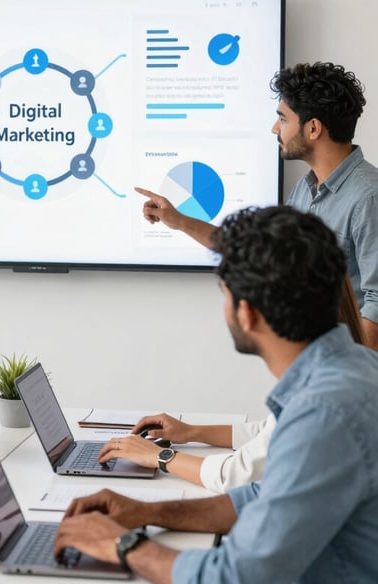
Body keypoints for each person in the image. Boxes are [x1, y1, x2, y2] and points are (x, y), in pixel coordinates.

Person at [54, 206, 378, 583]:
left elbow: (237, 576)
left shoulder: (323, 411)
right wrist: (149, 512)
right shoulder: (355, 367)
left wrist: (123, 545)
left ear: (247, 313)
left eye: (224, 294)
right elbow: (262, 496)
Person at [137, 62, 378, 349]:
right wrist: (179, 221)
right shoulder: (305, 189)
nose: (275, 128)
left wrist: (343, 370)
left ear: (313, 128)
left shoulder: (369, 196)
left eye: (283, 119)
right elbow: (258, 251)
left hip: (345, 368)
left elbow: (376, 304)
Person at [102, 277, 366, 493]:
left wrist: (159, 457)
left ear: (247, 313)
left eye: (226, 296)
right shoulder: (341, 368)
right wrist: (191, 432)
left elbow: (236, 474)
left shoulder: (316, 398)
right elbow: (266, 432)